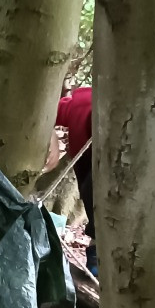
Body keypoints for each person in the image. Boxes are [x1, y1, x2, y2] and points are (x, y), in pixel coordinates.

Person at [56, 85, 97, 276]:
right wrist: (50, 138)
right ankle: (96, 258)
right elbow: (52, 111)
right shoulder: (84, 104)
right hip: (91, 167)